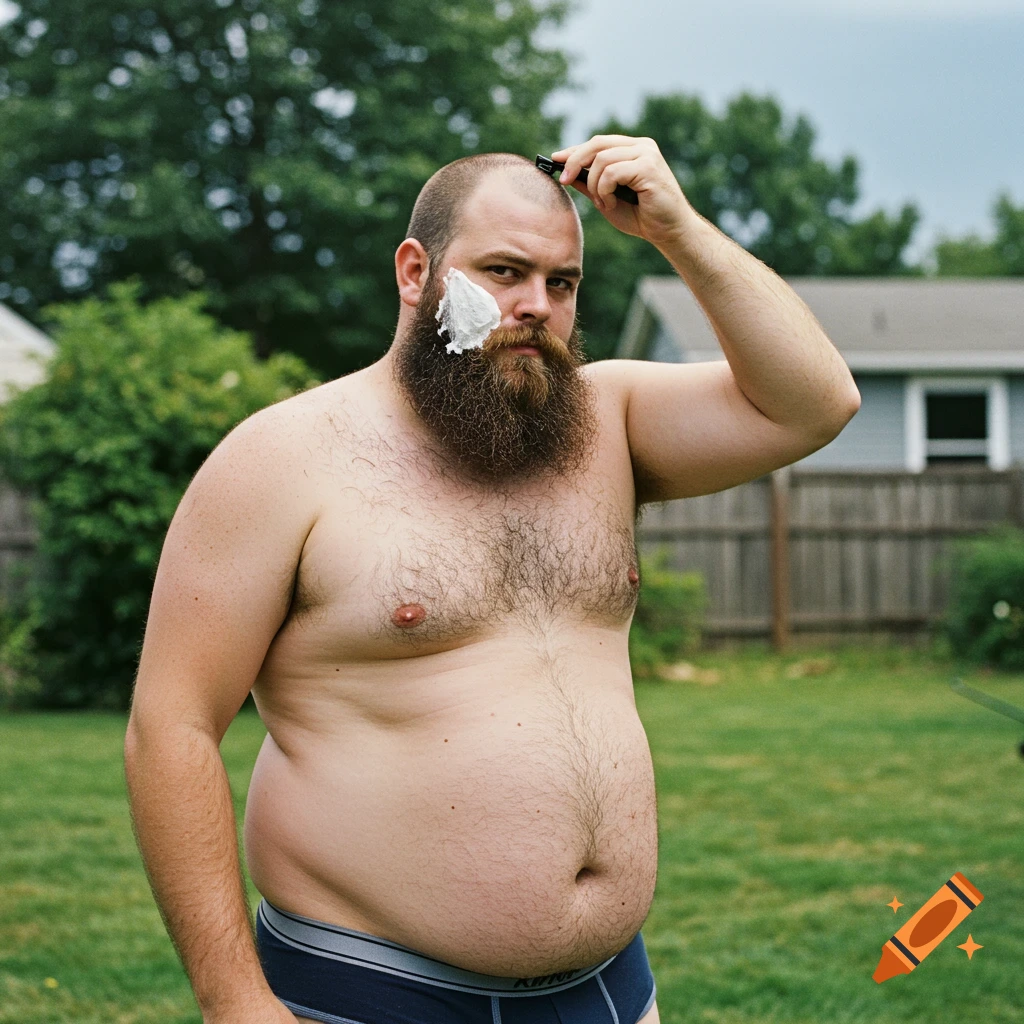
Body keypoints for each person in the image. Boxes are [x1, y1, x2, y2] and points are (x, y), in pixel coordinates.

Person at [124, 135, 860, 1024]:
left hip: (610, 992)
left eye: (563, 283)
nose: (536, 307)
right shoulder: (281, 459)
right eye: (505, 271)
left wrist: (680, 232)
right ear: (414, 272)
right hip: (368, 993)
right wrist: (235, 1002)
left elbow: (818, 403)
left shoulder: (606, 421)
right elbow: (171, 730)